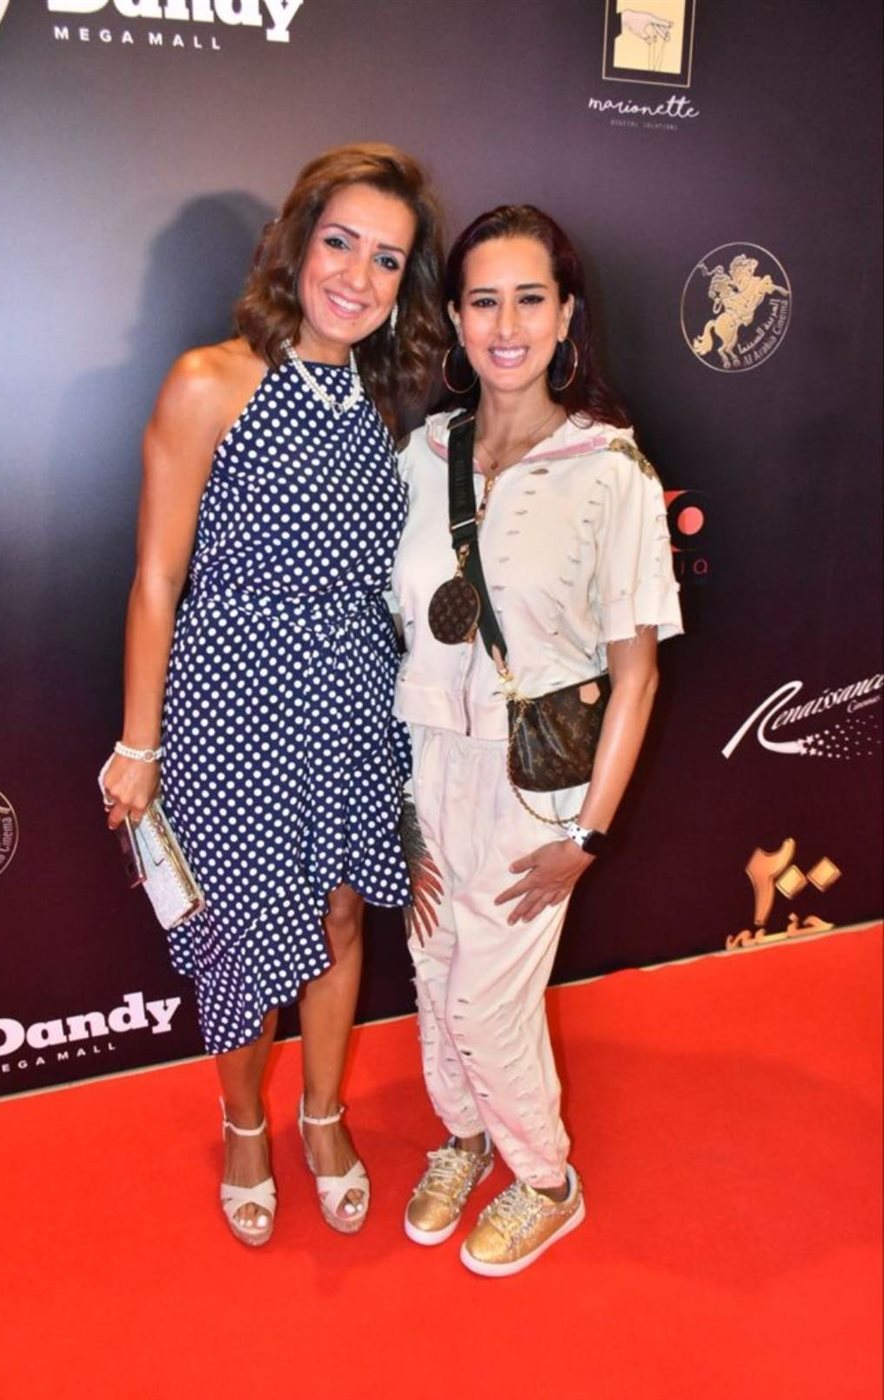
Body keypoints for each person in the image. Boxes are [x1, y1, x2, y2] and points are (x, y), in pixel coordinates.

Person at [102, 144, 446, 1246]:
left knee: (340, 911)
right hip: (229, 699)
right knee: (248, 931)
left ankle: (323, 1112)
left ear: (402, 284)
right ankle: (245, 1121)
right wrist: (138, 746)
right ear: (297, 242)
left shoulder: (384, 399)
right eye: (340, 241)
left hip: (353, 692)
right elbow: (157, 577)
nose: (356, 275)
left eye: (386, 259)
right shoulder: (210, 380)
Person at [392, 205, 683, 1276]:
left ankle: (548, 1179)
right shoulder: (422, 452)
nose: (505, 325)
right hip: (424, 762)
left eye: (529, 299)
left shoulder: (610, 470)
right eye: (483, 301)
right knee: (432, 971)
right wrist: (392, 804)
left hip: (535, 784)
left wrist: (588, 836)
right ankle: (465, 1137)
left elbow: (636, 675)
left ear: (566, 317)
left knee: (486, 1000)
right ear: (455, 319)